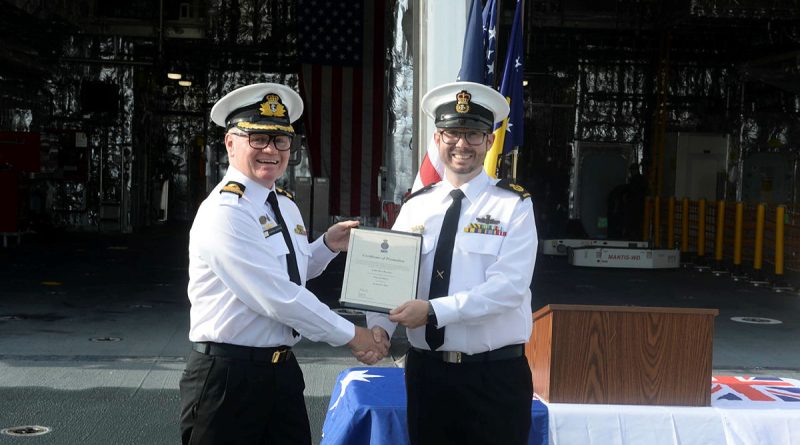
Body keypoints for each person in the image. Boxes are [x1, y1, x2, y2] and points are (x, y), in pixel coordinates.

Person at [179, 82, 389, 445]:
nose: (270, 151)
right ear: (231, 143)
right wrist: (355, 336)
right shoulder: (225, 212)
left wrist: (327, 245)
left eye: (280, 140)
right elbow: (278, 297)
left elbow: (292, 273)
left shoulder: (283, 203)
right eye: (257, 139)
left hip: (280, 373)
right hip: (228, 378)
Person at [368, 81, 538, 444]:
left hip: (494, 376)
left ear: (489, 142)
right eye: (452, 133)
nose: (462, 145)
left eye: (474, 134)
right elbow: (390, 273)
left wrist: (432, 311)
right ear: (437, 138)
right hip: (428, 374)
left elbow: (507, 289)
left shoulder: (514, 207)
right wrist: (379, 327)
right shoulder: (416, 205)